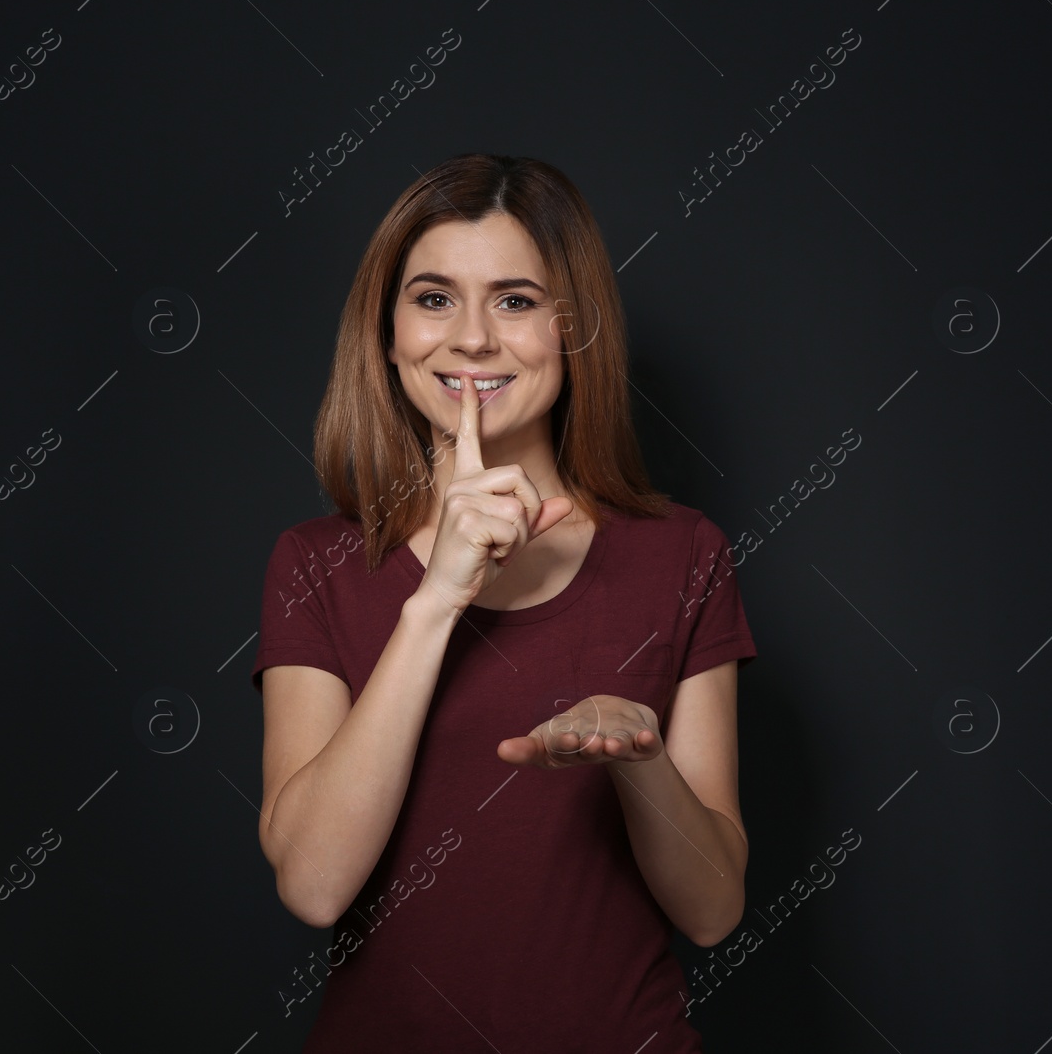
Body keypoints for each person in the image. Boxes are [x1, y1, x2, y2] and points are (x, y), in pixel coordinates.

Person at [250, 152, 758, 1052]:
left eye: (516, 300)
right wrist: (436, 599)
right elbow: (315, 884)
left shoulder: (683, 554)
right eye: (434, 297)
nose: (473, 339)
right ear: (387, 328)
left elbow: (714, 910)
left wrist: (637, 752)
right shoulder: (315, 562)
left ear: (574, 327)